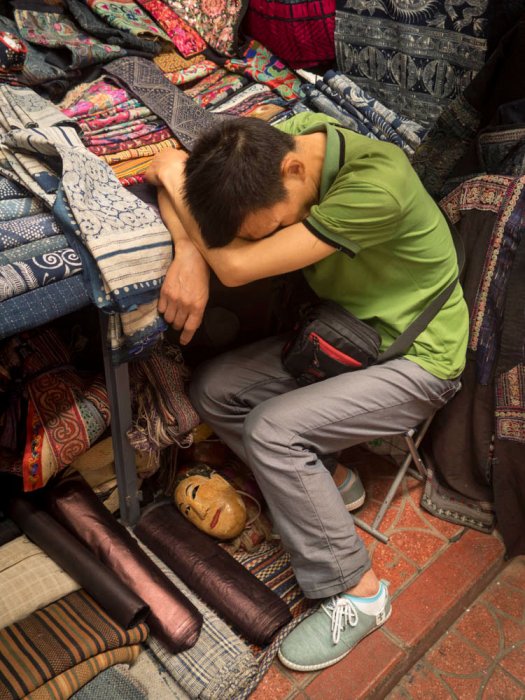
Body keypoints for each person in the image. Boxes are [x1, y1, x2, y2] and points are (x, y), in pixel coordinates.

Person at [145, 112, 468, 672]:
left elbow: (239, 265)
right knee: (214, 390)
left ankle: (360, 593)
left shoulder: (376, 186)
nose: (264, 234)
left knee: (273, 431)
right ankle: (332, 483)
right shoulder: (280, 146)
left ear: (294, 170)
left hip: (417, 359)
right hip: (351, 338)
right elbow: (165, 165)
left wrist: (197, 231)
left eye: (266, 226)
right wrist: (191, 249)